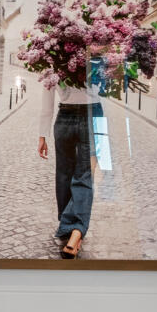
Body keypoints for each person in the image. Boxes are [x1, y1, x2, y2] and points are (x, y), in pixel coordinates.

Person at [36, 75, 94, 258]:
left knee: (64, 173)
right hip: (92, 116)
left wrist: (42, 136)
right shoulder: (98, 53)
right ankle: (76, 229)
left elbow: (47, 104)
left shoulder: (51, 59)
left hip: (64, 118)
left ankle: (67, 224)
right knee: (84, 174)